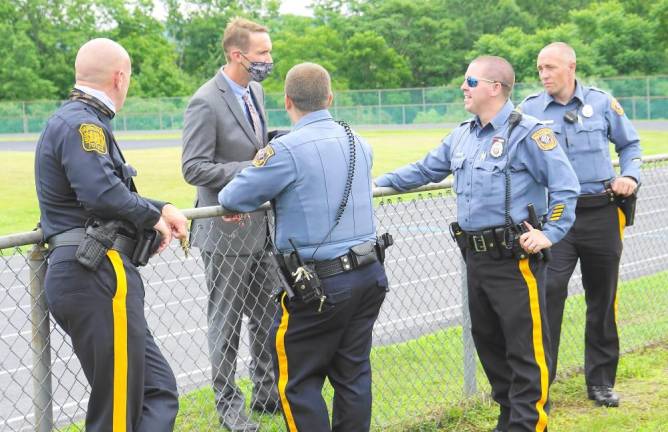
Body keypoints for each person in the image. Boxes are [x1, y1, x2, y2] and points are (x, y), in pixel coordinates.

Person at [376, 56, 580, 432]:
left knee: (525, 349)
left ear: (495, 87)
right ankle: (509, 418)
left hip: (515, 260)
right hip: (476, 259)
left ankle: (529, 423)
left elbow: (566, 186)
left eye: (470, 80)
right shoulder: (463, 134)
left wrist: (548, 233)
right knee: (488, 343)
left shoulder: (529, 133)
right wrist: (371, 185)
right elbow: (424, 170)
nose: (463, 87)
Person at [219, 62, 390, 432]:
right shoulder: (358, 141)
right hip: (368, 275)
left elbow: (232, 195)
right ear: (330, 98)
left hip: (320, 287)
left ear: (287, 102)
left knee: (297, 380)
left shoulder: (285, 149)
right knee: (353, 374)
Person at [35, 38, 188, 431]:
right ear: (120, 77)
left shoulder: (83, 119)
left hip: (95, 271)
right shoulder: (83, 122)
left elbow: (104, 188)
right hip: (95, 272)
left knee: (156, 390)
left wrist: (160, 206)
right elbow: (101, 194)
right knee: (117, 411)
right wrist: (151, 216)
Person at [520, 42, 642, 407]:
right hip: (555, 218)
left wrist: (631, 177)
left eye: (550, 67)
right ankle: (542, 385)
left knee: (603, 298)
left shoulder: (603, 103)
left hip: (601, 212)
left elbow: (630, 145)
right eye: (540, 68)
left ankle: (601, 382)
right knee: (548, 296)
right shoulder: (528, 110)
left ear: (571, 67)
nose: (543, 74)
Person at [181, 17, 279, 431]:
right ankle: (229, 408)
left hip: (262, 226)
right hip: (225, 232)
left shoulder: (255, 90)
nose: (269, 59)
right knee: (227, 323)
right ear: (238, 55)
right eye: (263, 53)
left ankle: (267, 394)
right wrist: (252, 167)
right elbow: (194, 167)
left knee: (267, 315)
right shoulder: (205, 101)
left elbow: (257, 144)